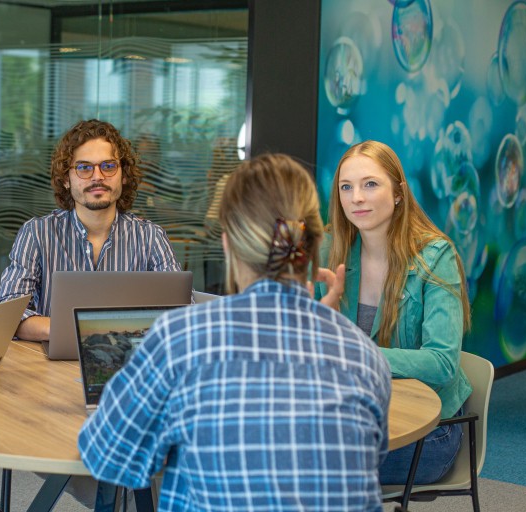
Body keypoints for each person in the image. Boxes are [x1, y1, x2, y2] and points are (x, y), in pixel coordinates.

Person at [79, 153, 392, 511]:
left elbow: (107, 457)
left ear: (228, 245)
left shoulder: (179, 340)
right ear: (310, 246)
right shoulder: (364, 355)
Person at [316, 140, 473, 485]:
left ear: (399, 192)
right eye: (346, 186)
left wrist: (355, 355)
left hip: (429, 432)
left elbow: (443, 364)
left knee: (309, 465)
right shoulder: (329, 249)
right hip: (351, 414)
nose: (356, 197)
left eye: (370, 184)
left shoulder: (436, 256)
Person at [0, 119, 182, 341]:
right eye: (84, 168)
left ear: (123, 175)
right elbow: (6, 316)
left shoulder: (150, 237)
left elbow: (181, 313)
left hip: (129, 365)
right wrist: (82, 333)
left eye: (108, 166)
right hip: (49, 369)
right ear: (66, 179)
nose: (98, 177)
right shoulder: (37, 233)